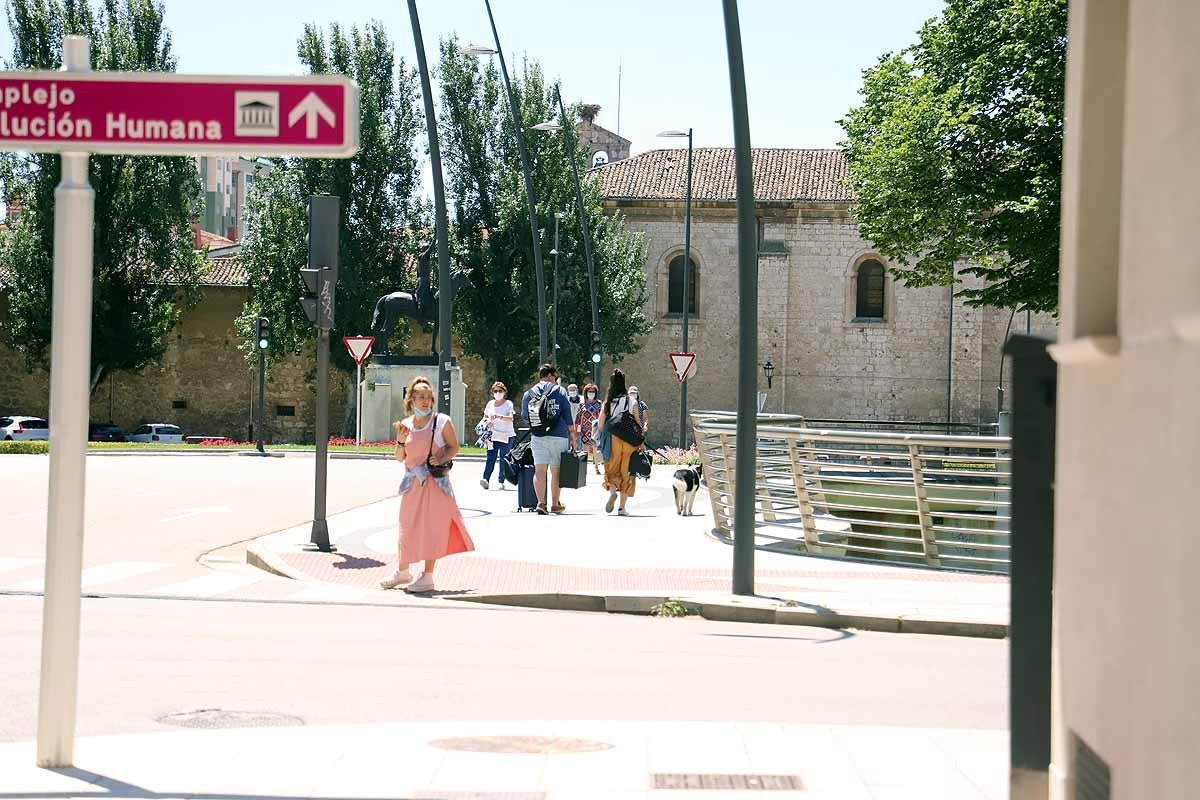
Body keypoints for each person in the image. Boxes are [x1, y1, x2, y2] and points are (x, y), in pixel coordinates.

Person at [380, 376, 475, 593]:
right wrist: (401, 441)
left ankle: (428, 576)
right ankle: (403, 571)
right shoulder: (405, 425)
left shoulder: (442, 422)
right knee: (407, 526)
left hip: (435, 483)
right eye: (420, 397)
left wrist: (440, 459)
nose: (425, 401)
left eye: (428, 397)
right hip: (412, 484)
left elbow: (454, 447)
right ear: (411, 399)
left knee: (432, 529)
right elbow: (399, 456)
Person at [521, 363, 576, 515]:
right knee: (556, 472)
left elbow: (525, 416)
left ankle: (541, 503)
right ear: (551, 375)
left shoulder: (529, 393)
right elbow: (567, 414)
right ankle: (555, 504)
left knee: (539, 470)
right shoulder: (560, 391)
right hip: (559, 435)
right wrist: (573, 435)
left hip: (538, 436)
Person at [597, 368, 641, 516]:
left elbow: (601, 424)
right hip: (629, 441)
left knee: (612, 469)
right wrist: (640, 441)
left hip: (613, 438)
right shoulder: (631, 400)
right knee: (627, 472)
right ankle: (622, 508)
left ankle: (613, 491)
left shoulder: (608, 402)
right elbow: (637, 422)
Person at [480, 381, 515, 490]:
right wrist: (487, 422)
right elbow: (485, 417)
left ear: (504, 392)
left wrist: (499, 417)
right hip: (493, 435)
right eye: (495, 391)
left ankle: (501, 480)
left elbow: (510, 418)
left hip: (506, 435)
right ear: (492, 393)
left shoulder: (508, 404)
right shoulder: (490, 404)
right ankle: (486, 479)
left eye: (500, 391)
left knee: (503, 458)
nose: (498, 393)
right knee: (491, 457)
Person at [577, 382, 603, 475]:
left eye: (593, 391)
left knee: (595, 449)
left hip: (595, 430)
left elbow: (602, 415)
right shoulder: (582, 405)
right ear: (585, 392)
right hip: (585, 430)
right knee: (585, 451)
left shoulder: (599, 404)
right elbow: (578, 418)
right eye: (589, 391)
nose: (591, 393)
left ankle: (596, 468)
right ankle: (584, 469)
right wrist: (576, 430)